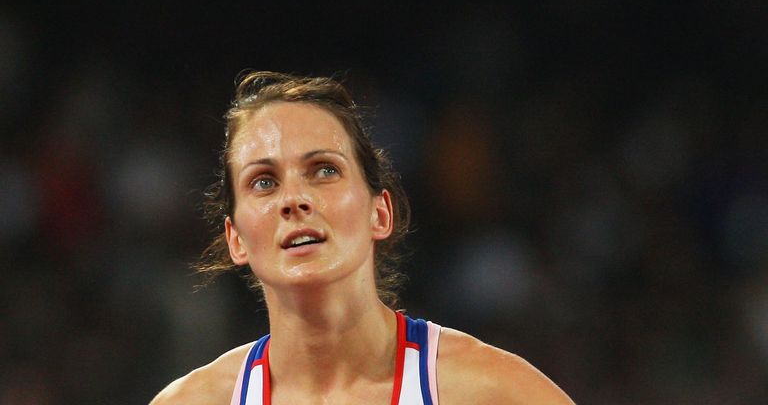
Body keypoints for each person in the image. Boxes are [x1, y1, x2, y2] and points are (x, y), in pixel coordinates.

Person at [150, 71, 575, 405]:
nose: (294, 199)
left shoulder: (486, 391)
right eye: (263, 182)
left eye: (324, 170)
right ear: (235, 238)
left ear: (380, 212)